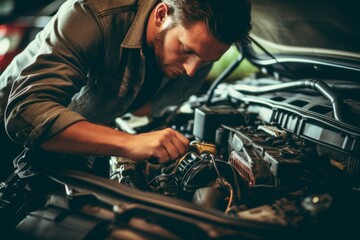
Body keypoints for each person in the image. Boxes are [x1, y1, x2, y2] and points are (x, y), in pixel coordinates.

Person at [0, 0, 252, 179]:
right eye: (187, 51)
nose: (191, 71)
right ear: (161, 15)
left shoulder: (199, 55)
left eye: (207, 61)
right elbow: (27, 114)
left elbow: (147, 104)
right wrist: (129, 143)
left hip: (73, 146)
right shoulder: (91, 14)